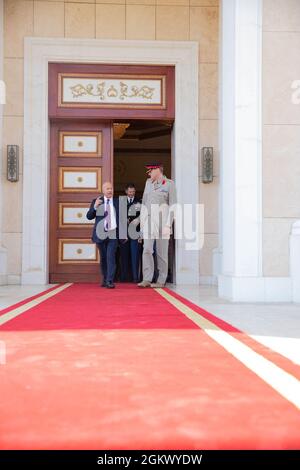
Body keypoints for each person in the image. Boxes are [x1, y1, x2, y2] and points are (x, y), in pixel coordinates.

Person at [138, 163, 176, 288]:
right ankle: (147, 279)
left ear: (157, 170)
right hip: (149, 221)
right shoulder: (148, 183)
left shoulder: (169, 184)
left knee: (162, 252)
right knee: (147, 249)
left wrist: (168, 225)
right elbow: (144, 203)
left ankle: (161, 280)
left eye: (150, 171)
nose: (148, 174)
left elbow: (173, 206)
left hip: (162, 222)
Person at [86, 182, 119, 289]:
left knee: (110, 257)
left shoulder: (117, 202)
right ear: (103, 190)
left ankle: (110, 280)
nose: (110, 190)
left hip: (113, 234)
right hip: (100, 234)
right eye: (107, 189)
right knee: (104, 258)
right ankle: (105, 279)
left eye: (111, 188)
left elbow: (122, 219)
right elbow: (89, 216)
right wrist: (95, 207)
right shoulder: (97, 201)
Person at [119, 183, 141, 283]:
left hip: (135, 232)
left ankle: (135, 277)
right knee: (124, 256)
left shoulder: (139, 202)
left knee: (135, 255)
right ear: (126, 191)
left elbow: (142, 218)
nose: (131, 193)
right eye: (130, 191)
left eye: (133, 191)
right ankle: (124, 277)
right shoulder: (121, 202)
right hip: (124, 233)